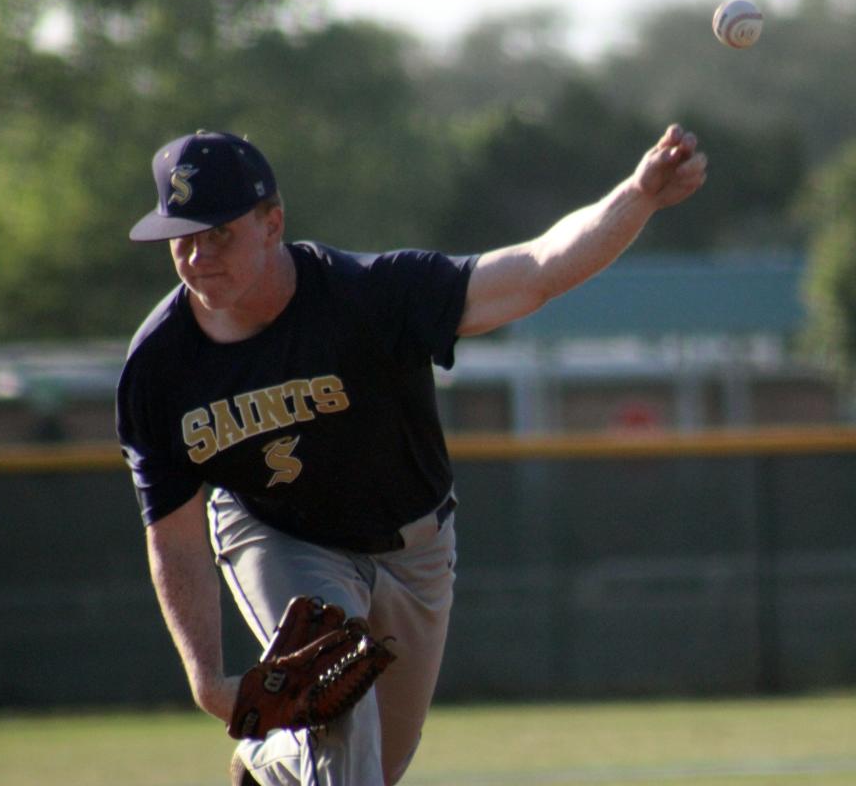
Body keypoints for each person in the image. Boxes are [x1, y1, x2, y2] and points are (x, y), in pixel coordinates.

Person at [116, 125, 707, 785]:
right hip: (281, 536)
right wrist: (206, 680)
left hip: (415, 552)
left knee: (373, 766)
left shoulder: (368, 293)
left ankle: (268, 763)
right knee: (343, 711)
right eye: (181, 240)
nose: (197, 258)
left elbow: (536, 271)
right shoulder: (159, 367)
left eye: (217, 233)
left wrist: (639, 195)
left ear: (271, 222)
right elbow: (174, 533)